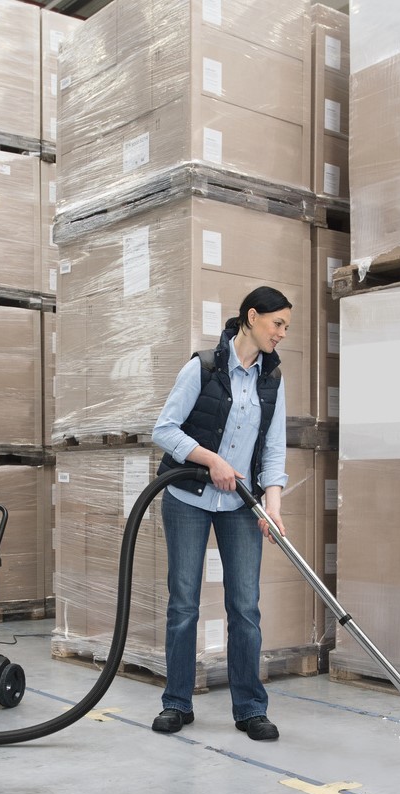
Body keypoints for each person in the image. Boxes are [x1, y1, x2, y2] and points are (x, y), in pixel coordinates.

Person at [151, 286, 291, 741]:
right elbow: (164, 430)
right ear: (252, 317)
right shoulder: (204, 367)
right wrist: (211, 460)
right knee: (184, 604)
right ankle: (176, 702)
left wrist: (272, 505)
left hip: (241, 505)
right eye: (277, 323)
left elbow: (274, 450)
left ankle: (250, 709)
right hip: (188, 497)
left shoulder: (273, 380)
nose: (281, 333)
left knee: (245, 607)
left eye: (286, 326)